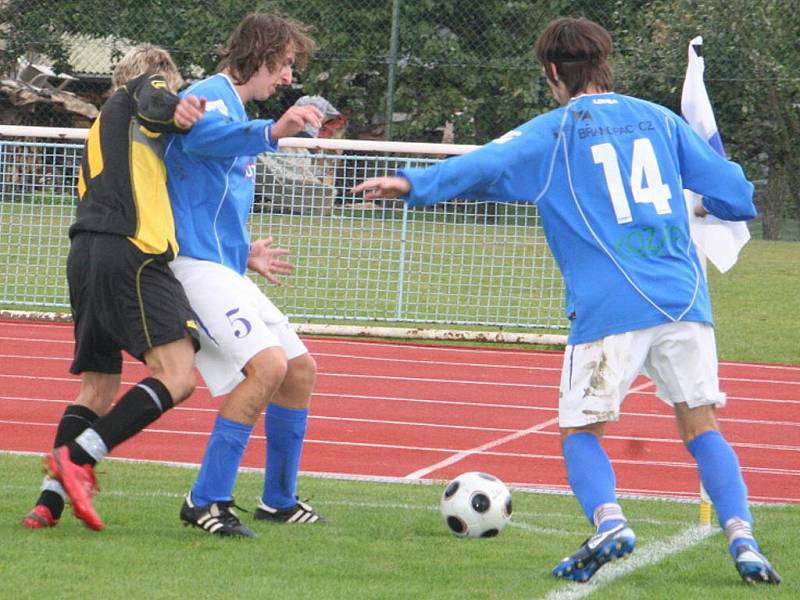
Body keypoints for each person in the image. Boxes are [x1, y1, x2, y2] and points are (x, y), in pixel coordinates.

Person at [353, 17, 781, 586]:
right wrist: (709, 208)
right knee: (702, 426)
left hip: (612, 304)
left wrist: (411, 184)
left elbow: (486, 164)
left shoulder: (556, 130)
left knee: (581, 431)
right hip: (684, 299)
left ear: (553, 71)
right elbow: (734, 194)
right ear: (606, 61)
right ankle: (744, 539)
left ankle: (609, 522)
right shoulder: (661, 120)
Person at [21, 45, 206, 531]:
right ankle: (79, 458)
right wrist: (177, 107)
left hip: (85, 254)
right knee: (178, 374)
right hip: (131, 252)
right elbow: (156, 90)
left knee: (97, 388)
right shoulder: (145, 91)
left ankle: (48, 504)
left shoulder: (107, 127)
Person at [164, 12, 325, 538]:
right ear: (261, 55)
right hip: (193, 267)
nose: (286, 78)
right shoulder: (209, 95)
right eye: (284, 65)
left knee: (300, 370)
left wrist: (243, 251)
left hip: (223, 265)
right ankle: (205, 499)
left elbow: (213, 177)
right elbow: (205, 138)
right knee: (268, 367)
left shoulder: (232, 104)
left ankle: (277, 499)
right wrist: (276, 130)